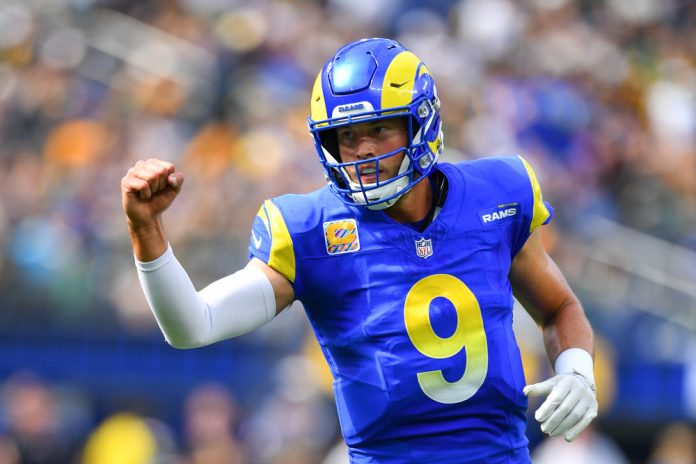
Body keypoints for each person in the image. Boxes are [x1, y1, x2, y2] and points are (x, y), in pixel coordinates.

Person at [121, 38, 598, 463]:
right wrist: (147, 232)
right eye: (346, 136)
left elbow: (558, 307)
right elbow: (192, 326)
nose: (361, 151)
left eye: (380, 130)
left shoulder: (497, 193)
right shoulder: (309, 229)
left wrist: (577, 370)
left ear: (421, 123)